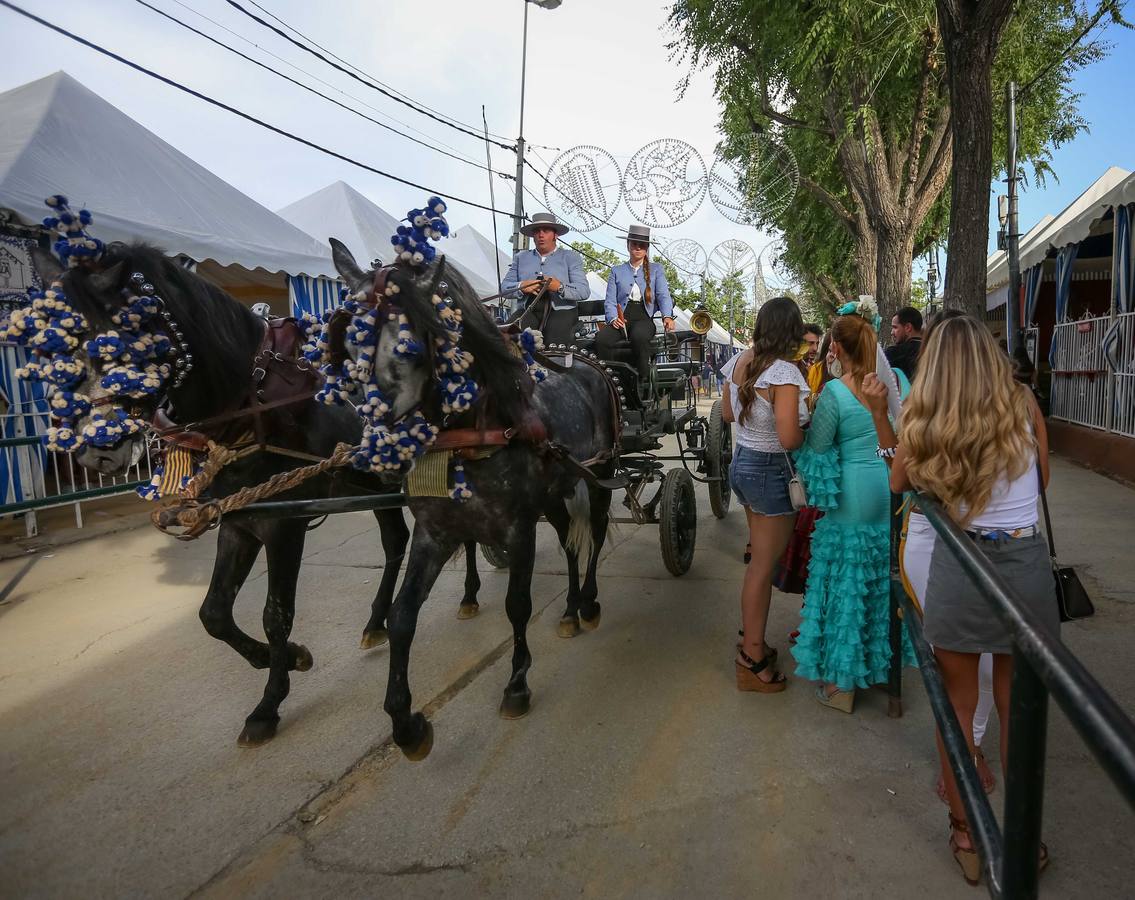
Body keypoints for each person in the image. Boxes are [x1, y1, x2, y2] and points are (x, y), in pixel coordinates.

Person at [863, 314, 1056, 886]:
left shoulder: (927, 414)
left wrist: (891, 432)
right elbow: (1042, 480)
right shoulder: (1022, 403)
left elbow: (898, 484)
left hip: (959, 560)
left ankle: (966, 833)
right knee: (1020, 711)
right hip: (1022, 564)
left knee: (957, 703)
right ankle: (1023, 836)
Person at [791, 310, 910, 713]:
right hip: (890, 486)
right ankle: (880, 671)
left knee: (846, 585)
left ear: (836, 348)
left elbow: (819, 450)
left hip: (852, 495)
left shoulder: (835, 394)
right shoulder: (895, 383)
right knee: (879, 581)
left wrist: (797, 443)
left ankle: (843, 686)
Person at [720, 296, 809, 693]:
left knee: (758, 560)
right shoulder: (784, 373)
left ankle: (751, 640)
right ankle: (752, 658)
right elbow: (789, 437)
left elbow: (726, 414)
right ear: (791, 330)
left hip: (742, 463)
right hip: (771, 470)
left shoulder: (741, 362)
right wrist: (812, 424)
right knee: (762, 567)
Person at [595, 224, 675, 396]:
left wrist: (667, 316)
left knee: (639, 337)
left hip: (643, 317)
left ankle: (642, 380)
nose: (637, 248)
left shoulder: (656, 270)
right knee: (602, 339)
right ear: (628, 245)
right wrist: (612, 318)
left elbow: (663, 295)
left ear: (647, 248)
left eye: (642, 245)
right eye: (634, 244)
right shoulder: (616, 271)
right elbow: (610, 300)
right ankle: (609, 379)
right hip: (622, 317)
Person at [500, 212, 590, 347]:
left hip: (562, 311)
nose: (541, 235)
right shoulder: (521, 258)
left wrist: (559, 287)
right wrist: (522, 286)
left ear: (555, 235)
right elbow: (504, 288)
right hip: (528, 310)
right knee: (509, 337)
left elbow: (584, 291)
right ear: (533, 235)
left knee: (554, 343)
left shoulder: (570, 257)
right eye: (537, 231)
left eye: (546, 231)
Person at [886, 305, 923, 381]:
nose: (891, 332)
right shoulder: (934, 350)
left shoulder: (894, 353)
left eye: (895, 327)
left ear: (908, 327)